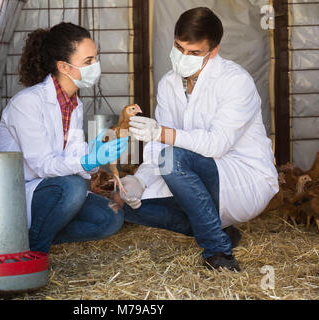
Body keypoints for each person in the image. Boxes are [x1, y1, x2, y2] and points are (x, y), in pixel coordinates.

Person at [118, 7, 279, 271]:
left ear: (213, 51)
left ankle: (218, 252)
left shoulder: (235, 81)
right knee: (127, 205)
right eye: (179, 48)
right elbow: (159, 147)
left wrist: (160, 132)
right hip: (193, 177)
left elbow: (216, 144)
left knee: (172, 158)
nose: (183, 57)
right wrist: (140, 179)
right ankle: (223, 232)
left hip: (241, 178)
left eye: (194, 53)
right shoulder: (169, 83)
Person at [0, 22, 129, 253]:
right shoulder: (27, 103)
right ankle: (35, 251)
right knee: (73, 187)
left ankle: (26, 236)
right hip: (19, 192)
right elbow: (44, 166)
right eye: (88, 62)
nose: (96, 66)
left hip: (52, 190)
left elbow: (73, 158)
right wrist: (87, 161)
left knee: (111, 216)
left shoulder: (74, 104)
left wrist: (93, 156)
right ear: (63, 67)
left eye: (96, 58)